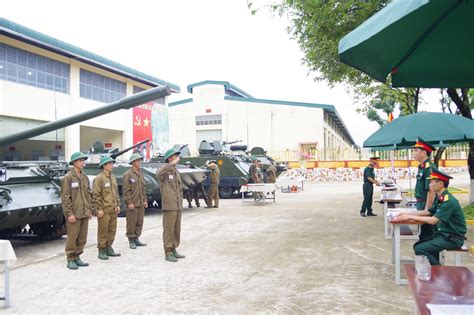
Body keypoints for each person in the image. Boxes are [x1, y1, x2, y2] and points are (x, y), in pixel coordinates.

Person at [394, 169, 466, 265]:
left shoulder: (449, 201)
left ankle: (439, 272)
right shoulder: (441, 198)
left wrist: (409, 218)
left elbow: (433, 220)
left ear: (440, 184)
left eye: (432, 182)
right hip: (443, 234)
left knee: (420, 249)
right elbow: (427, 212)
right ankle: (434, 270)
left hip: (452, 238)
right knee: (418, 245)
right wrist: (406, 214)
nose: (429, 185)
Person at [61, 152, 92, 270]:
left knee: (82, 237)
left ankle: (77, 256)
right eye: (80, 161)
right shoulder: (68, 178)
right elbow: (65, 198)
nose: (83, 162)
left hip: (84, 212)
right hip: (74, 213)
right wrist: (69, 214)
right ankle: (70, 258)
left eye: (83, 160)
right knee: (72, 237)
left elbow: (88, 194)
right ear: (74, 162)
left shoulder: (85, 177)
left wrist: (89, 210)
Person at [156, 148, 185, 262]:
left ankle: (173, 249)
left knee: (176, 229)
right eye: (174, 156)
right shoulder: (164, 171)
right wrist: (171, 164)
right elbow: (158, 174)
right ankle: (168, 251)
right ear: (169, 158)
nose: (177, 157)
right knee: (168, 229)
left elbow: (179, 189)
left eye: (177, 156)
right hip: (169, 205)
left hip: (177, 205)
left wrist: (181, 202)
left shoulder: (175, 171)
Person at [93, 156, 121, 260]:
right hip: (104, 210)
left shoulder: (112, 177)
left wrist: (117, 204)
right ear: (104, 166)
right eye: (109, 163)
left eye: (112, 163)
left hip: (113, 209)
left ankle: (109, 247)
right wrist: (99, 208)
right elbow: (96, 195)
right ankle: (102, 250)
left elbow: (116, 192)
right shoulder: (99, 178)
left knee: (112, 230)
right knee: (103, 231)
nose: (111, 165)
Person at [412, 138, 437, 242]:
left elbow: (431, 191)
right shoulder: (422, 166)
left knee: (428, 235)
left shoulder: (429, 168)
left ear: (424, 152)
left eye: (416, 150)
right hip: (421, 203)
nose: (413, 153)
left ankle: (432, 258)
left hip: (425, 204)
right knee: (423, 234)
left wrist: (427, 209)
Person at [123, 153, 148, 249]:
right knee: (131, 223)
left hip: (140, 202)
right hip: (133, 203)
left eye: (140, 160)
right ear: (133, 162)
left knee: (139, 222)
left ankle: (137, 238)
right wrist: (129, 202)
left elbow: (143, 188)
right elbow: (126, 190)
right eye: (138, 160)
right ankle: (131, 240)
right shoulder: (128, 174)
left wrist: (145, 200)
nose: (139, 162)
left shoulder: (141, 173)